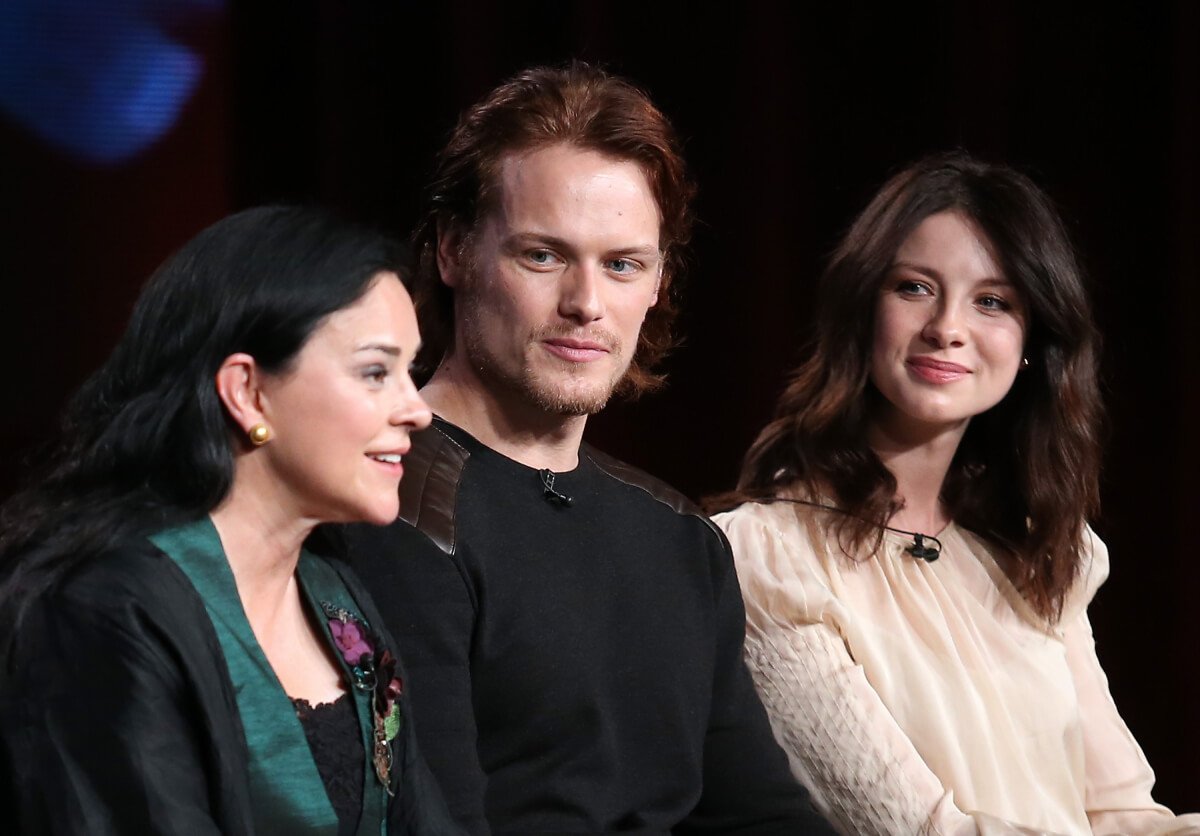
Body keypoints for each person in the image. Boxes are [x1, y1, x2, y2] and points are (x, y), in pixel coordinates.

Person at [343, 63, 833, 834]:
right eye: (543, 255)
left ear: (658, 284)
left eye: (622, 264)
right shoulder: (386, 499)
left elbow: (761, 814)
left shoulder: (678, 538)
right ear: (452, 251)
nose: (586, 304)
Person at [712, 153, 1200, 835]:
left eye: (992, 302)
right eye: (914, 288)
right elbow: (915, 830)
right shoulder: (771, 560)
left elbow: (1123, 813)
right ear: (863, 308)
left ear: (1031, 342)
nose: (948, 327)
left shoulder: (1035, 554)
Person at [0, 206, 462, 835]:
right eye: (376, 373)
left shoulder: (337, 596)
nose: (417, 411)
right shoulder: (106, 606)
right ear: (247, 392)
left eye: (409, 374)